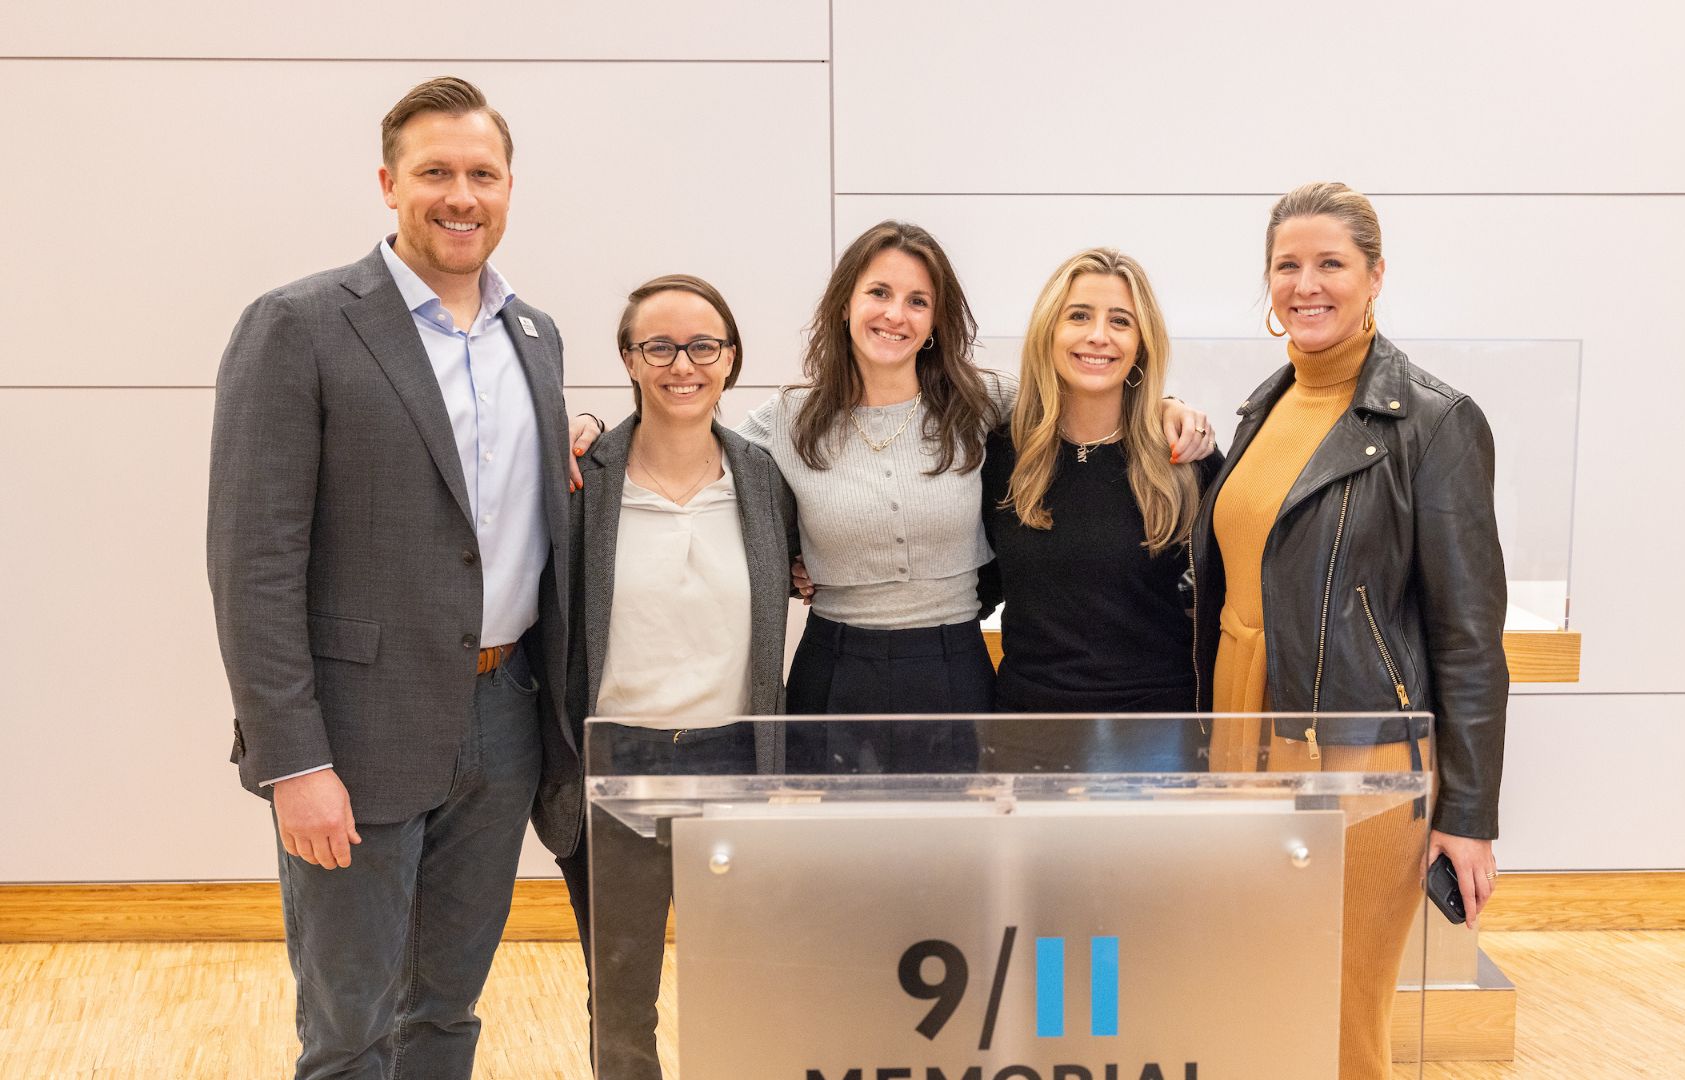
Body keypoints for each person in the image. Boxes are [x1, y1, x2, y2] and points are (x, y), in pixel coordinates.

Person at [207, 77, 576, 1079]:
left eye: (482, 174)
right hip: (354, 734)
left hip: (504, 718)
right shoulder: (301, 325)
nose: (461, 196)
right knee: (351, 1029)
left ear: (510, 188)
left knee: (447, 1013)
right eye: (435, 173)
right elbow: (254, 567)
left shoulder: (534, 339)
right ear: (388, 183)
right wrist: (294, 764)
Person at [577, 221, 1213, 773]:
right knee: (840, 877)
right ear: (846, 304)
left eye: (917, 301)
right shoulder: (789, 419)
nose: (894, 314)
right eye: (878, 293)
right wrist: (593, 434)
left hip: (955, 664)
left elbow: (1082, 402)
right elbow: (685, 446)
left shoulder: (983, 402)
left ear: (935, 321)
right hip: (835, 666)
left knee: (952, 875)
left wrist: (1166, 405)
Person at [1193, 181, 1508, 1079]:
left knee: (1341, 1014)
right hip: (1241, 737)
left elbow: (1469, 638)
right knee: (1262, 990)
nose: (1307, 283)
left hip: (1359, 756)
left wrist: (1470, 816)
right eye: (1288, 265)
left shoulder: (1434, 422)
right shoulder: (1264, 407)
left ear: (1375, 277)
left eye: (1331, 263)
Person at [552, 274, 793, 1079]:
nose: (680, 364)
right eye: (658, 345)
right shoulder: (585, 478)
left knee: (744, 985)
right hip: (616, 764)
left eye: (702, 346)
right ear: (628, 357)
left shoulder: (763, 479)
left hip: (736, 762)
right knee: (621, 995)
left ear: (730, 361)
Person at [979, 248, 1223, 771]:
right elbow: (974, 581)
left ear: (1141, 343)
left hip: (1157, 737)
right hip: (1027, 732)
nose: (1098, 336)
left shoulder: (1184, 458)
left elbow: (1228, 599)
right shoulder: (1003, 453)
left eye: (1120, 321)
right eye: (1079, 316)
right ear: (1050, 331)